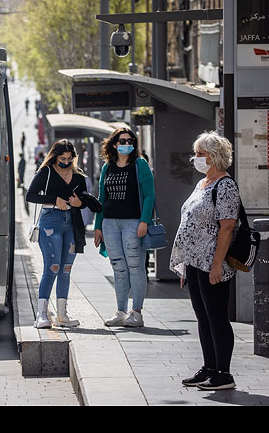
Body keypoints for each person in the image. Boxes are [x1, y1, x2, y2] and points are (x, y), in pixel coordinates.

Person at [170, 131, 240, 391]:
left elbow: (227, 227)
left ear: (215, 156)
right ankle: (209, 367)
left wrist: (216, 265)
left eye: (200, 154)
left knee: (217, 317)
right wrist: (185, 265)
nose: (195, 158)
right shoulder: (203, 183)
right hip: (194, 262)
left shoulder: (225, 185)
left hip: (213, 262)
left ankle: (224, 373)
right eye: (196, 153)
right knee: (202, 316)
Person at [26, 139, 91, 329]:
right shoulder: (45, 172)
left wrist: (79, 203)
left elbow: (84, 199)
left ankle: (62, 314)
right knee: (52, 267)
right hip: (50, 221)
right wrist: (55, 199)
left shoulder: (78, 176)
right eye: (62, 158)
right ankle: (42, 314)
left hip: (71, 222)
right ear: (55, 157)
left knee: (66, 269)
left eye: (70, 159)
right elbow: (31, 195)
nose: (66, 161)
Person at [93, 128, 155, 328]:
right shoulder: (107, 167)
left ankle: (136, 313)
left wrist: (144, 220)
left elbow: (149, 195)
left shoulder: (140, 164)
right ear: (114, 144)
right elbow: (102, 199)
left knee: (136, 267)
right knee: (118, 267)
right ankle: (121, 311)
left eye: (130, 140)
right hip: (110, 223)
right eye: (122, 140)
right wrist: (98, 226)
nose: (126, 143)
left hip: (133, 222)